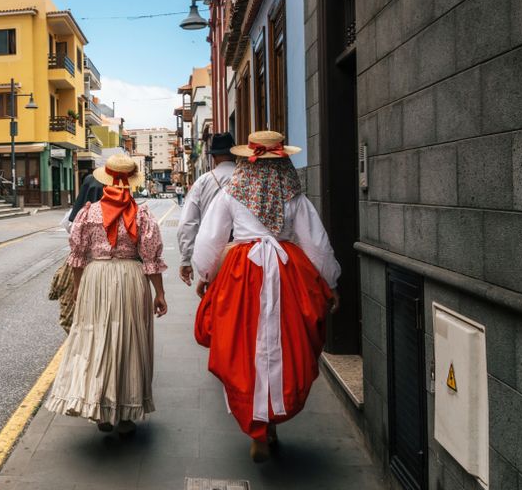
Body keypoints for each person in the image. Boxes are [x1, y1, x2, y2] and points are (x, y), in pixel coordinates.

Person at [191, 131, 340, 463]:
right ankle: (270, 422)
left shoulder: (231, 193)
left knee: (244, 346)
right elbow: (315, 244)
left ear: (248, 158)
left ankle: (256, 424)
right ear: (283, 159)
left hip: (242, 274)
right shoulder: (294, 196)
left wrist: (204, 275)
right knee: (283, 346)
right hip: (288, 272)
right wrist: (330, 282)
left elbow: (210, 239)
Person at [44, 154, 168, 434]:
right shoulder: (143, 215)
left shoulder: (88, 213)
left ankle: (100, 410)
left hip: (95, 279)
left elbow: (76, 257)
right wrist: (159, 293)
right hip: (131, 279)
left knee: (95, 339)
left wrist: (78, 289)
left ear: (106, 179)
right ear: (131, 183)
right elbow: (150, 260)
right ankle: (125, 413)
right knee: (128, 341)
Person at [177, 132, 236, 287]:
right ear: (235, 154)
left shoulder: (203, 182)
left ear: (214, 157)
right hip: (246, 255)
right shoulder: (248, 178)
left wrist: (186, 259)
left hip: (214, 256)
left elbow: (188, 223)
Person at [52, 174, 105, 333]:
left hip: (80, 266)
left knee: (75, 312)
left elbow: (72, 234)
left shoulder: (76, 215)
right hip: (106, 267)